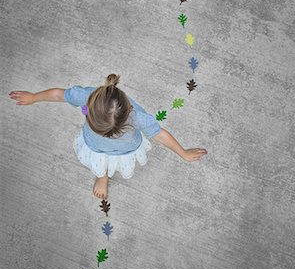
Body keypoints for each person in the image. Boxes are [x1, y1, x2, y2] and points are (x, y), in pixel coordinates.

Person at [8, 73, 208, 200]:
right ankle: (101, 178)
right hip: (95, 148)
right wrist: (34, 97)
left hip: (125, 151)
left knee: (106, 161)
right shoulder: (85, 96)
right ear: (89, 107)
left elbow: (161, 135)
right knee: (99, 164)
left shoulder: (138, 117)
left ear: (128, 114)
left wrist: (183, 153)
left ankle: (103, 176)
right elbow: (59, 94)